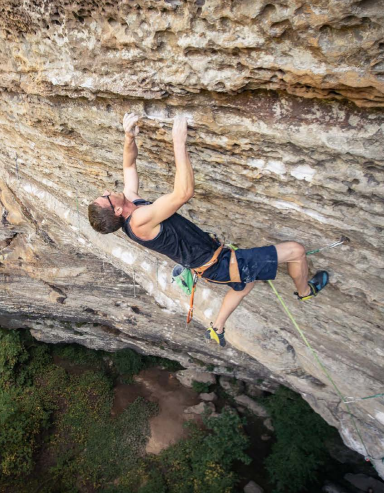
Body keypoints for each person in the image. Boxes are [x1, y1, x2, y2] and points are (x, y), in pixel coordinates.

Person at [88, 112, 329, 346]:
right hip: (218, 264)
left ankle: (217, 327)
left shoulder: (130, 203)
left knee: (246, 282)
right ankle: (305, 291)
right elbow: (183, 193)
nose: (108, 191)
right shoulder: (139, 220)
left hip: (209, 263)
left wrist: (129, 137)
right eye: (106, 197)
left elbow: (129, 166)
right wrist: (178, 142)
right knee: (296, 251)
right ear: (117, 211)